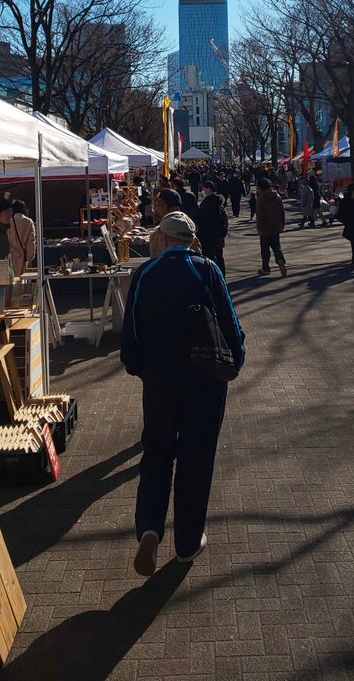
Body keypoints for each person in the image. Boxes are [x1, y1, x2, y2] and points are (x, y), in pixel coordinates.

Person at [121, 212, 245, 576]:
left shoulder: (145, 275)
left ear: (162, 238)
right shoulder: (207, 270)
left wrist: (143, 369)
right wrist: (235, 361)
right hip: (205, 381)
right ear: (192, 239)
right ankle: (188, 543)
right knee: (196, 459)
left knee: (157, 453)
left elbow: (131, 340)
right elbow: (230, 325)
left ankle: (149, 527)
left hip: (160, 383)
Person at [255, 177, 287, 277]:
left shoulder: (261, 199)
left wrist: (259, 228)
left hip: (265, 228)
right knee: (276, 247)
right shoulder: (277, 196)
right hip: (276, 226)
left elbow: (260, 215)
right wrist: (282, 224)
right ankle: (280, 260)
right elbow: (282, 212)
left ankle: (266, 268)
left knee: (265, 249)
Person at [197, 180, 229, 276]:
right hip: (219, 233)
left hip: (211, 233)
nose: (202, 191)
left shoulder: (208, 203)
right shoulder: (218, 202)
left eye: (203, 189)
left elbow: (204, 218)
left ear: (208, 189)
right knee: (219, 255)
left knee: (212, 256)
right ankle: (222, 274)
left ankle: (217, 275)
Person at [149, 188, 182, 258]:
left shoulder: (184, 233)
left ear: (173, 209)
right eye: (154, 205)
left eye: (159, 205)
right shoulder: (157, 233)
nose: (155, 209)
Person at [8, 199, 36, 278]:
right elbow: (31, 241)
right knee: (23, 280)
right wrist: (30, 258)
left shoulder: (8, 221)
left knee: (11, 279)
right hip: (23, 256)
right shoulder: (29, 222)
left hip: (11, 255)